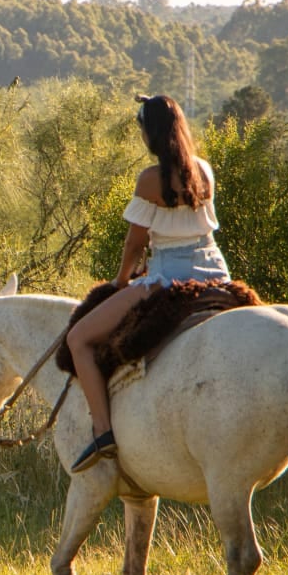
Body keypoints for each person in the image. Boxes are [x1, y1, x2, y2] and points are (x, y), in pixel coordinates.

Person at [65, 94, 230, 474]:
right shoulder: (204, 170)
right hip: (216, 274)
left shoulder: (149, 180)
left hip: (168, 278)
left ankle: (103, 431)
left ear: (150, 134)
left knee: (79, 339)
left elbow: (135, 243)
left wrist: (121, 281)